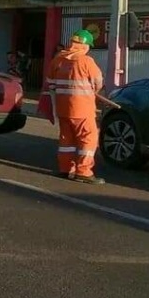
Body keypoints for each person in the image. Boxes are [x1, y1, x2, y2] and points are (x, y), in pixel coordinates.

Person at [46, 29, 105, 184]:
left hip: (63, 108)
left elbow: (50, 84)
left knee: (67, 140)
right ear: (85, 46)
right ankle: (83, 172)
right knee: (88, 139)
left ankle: (66, 169)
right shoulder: (86, 61)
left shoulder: (58, 60)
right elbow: (98, 82)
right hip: (82, 109)